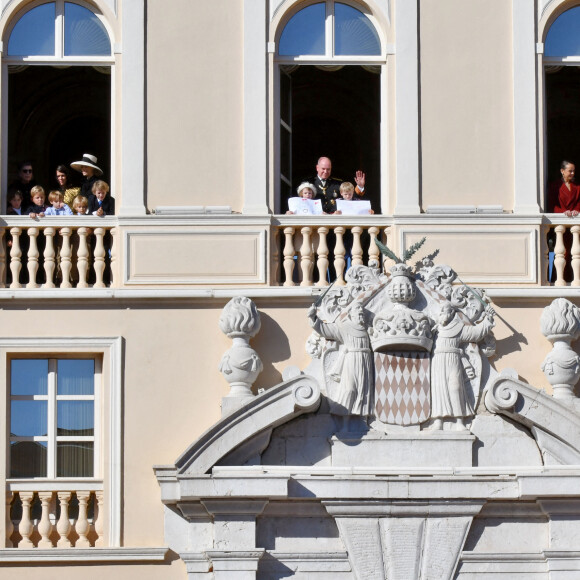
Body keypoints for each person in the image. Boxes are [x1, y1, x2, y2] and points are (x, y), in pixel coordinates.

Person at [429, 303, 495, 431]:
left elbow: (475, 333)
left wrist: (488, 319)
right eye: (441, 310)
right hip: (438, 361)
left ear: (452, 313)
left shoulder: (458, 328)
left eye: (445, 310)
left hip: (453, 359)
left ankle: (459, 420)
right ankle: (438, 420)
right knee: (438, 389)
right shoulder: (435, 330)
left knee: (456, 387)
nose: (442, 312)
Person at [307, 302, 373, 418]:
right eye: (357, 309)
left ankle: (361, 421)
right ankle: (343, 418)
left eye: (361, 310)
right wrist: (313, 317)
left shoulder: (367, 328)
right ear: (351, 314)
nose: (360, 312)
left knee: (363, 392)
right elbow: (326, 329)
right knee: (349, 389)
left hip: (365, 361)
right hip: (352, 360)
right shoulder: (345, 327)